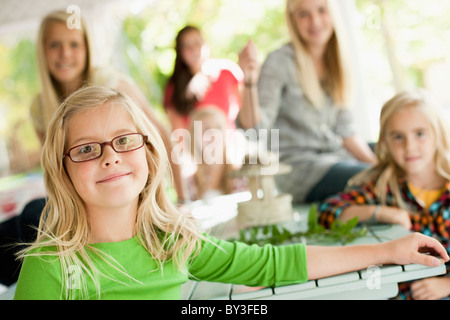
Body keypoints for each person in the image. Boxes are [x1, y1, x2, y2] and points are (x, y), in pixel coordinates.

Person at [13, 85, 449, 300]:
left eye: (125, 141)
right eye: (87, 149)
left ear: (148, 153)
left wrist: (390, 251)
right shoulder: (50, 267)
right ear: (63, 171)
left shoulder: (173, 243)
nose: (110, 157)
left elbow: (273, 263)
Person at [30, 10, 185, 201]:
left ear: (87, 49)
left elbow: (161, 136)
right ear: (42, 50)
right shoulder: (39, 108)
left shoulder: (113, 84)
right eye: (55, 45)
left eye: (74, 44)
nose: (65, 53)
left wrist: (183, 198)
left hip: (135, 196)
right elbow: (55, 172)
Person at [237, 0, 376, 204]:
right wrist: (249, 81)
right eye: (304, 14)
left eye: (322, 10)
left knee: (395, 149)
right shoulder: (280, 61)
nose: (315, 21)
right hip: (302, 171)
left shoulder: (336, 62)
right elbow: (255, 129)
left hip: (336, 156)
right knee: (376, 176)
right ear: (293, 20)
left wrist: (382, 165)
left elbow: (347, 133)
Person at [318, 90, 450, 299]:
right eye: (398, 137)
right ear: (385, 142)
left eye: (420, 134)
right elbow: (327, 212)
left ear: (438, 134)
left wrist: (446, 285)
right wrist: (380, 212)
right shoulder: (382, 186)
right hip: (397, 293)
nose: (409, 146)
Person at [163, 25, 256, 132]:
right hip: (196, 147)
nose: (193, 49)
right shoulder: (174, 87)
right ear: (180, 52)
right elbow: (179, 134)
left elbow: (249, 120)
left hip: (231, 144)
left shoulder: (228, 71)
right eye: (186, 46)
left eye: (197, 43)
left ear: (206, 44)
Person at [185, 106, 246, 200]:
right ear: (194, 137)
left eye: (218, 128)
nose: (214, 134)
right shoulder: (189, 184)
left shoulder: (241, 177)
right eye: (206, 129)